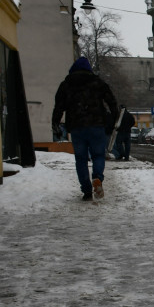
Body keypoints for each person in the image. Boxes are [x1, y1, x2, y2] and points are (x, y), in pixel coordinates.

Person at [52, 57, 118, 201]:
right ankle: (97, 177)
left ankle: (87, 191)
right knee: (98, 155)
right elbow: (111, 101)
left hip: (76, 127)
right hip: (97, 125)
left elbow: (59, 106)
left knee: (81, 159)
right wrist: (114, 118)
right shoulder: (97, 82)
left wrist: (55, 123)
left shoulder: (66, 84)